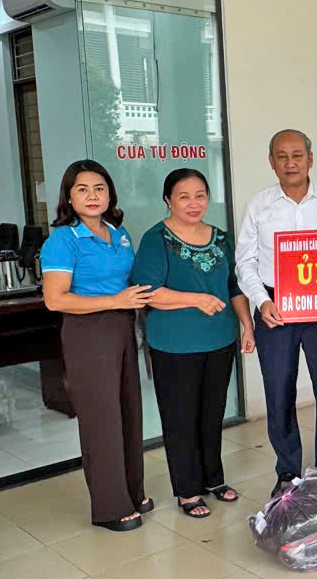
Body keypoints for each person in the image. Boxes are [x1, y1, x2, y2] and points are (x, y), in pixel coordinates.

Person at [131, 169, 255, 519]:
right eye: (184, 196)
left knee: (212, 414)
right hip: (174, 345)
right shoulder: (156, 239)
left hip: (219, 340)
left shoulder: (220, 238)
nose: (193, 203)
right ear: (168, 200)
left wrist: (247, 325)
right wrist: (196, 299)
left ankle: (213, 478)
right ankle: (187, 490)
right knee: (180, 418)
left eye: (200, 195)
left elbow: (234, 286)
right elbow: (148, 293)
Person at [41, 160, 154, 531]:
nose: (92, 196)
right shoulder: (63, 240)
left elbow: (131, 281)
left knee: (128, 410)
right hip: (87, 332)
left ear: (110, 195)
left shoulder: (118, 233)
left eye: (99, 188)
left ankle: (132, 491)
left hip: (122, 327)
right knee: (101, 419)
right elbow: (55, 299)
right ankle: (110, 506)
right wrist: (115, 301)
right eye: (82, 189)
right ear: (69, 198)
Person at [235, 129, 317, 497]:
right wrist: (261, 300)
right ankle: (287, 472)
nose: (290, 163)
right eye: (281, 156)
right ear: (271, 162)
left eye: (297, 155)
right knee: (279, 390)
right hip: (275, 307)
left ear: (310, 159)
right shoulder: (258, 205)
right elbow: (245, 262)